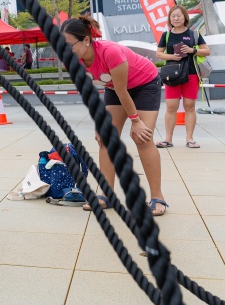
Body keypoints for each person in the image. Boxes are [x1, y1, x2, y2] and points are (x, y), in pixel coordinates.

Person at [61, 15, 168, 216]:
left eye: (69, 45)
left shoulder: (110, 52)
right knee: (105, 138)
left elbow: (123, 91)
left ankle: (157, 197)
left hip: (144, 83)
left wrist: (135, 121)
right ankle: (106, 194)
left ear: (86, 40)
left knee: (142, 138)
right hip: (115, 87)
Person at [155, 5, 210, 149]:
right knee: (171, 106)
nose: (176, 18)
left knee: (189, 106)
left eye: (178, 15)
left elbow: (207, 51)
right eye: (173, 16)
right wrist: (172, 56)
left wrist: (192, 50)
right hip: (172, 75)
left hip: (191, 74)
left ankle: (190, 139)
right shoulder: (166, 35)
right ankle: (168, 139)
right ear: (170, 19)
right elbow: (159, 53)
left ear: (185, 17)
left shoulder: (194, 34)